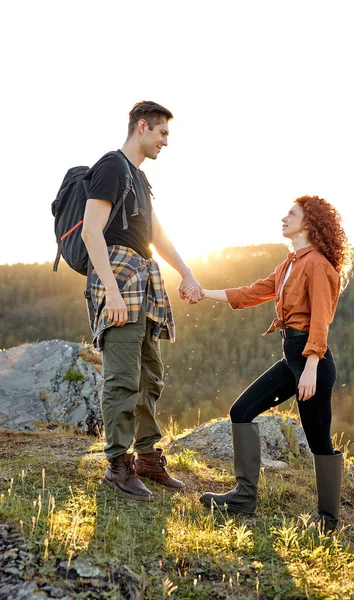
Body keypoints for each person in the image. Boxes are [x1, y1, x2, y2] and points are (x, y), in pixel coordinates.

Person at [189, 196, 354, 532]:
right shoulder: (288, 265)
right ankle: (243, 498)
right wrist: (202, 292)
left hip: (314, 364)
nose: (284, 217)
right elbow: (251, 293)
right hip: (291, 358)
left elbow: (321, 320)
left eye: (291, 214)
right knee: (242, 410)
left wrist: (310, 367)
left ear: (308, 223)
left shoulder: (319, 265)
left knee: (318, 441)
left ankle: (327, 521)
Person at [81, 101, 202, 501]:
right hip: (117, 281)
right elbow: (91, 232)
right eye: (162, 133)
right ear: (143, 127)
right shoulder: (112, 167)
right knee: (122, 378)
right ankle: (118, 465)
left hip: (144, 280)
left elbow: (157, 234)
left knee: (151, 374)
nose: (166, 142)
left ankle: (148, 457)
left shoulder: (140, 179)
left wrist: (185, 272)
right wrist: (111, 293)